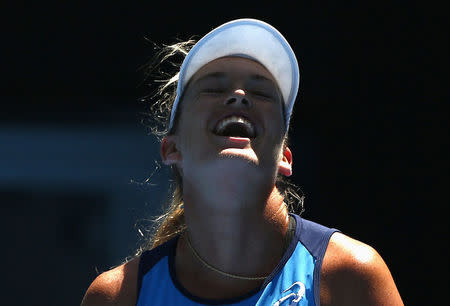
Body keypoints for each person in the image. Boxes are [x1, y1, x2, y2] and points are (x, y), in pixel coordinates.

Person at [81, 18, 403, 305]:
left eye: (262, 93)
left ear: (285, 158)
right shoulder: (116, 298)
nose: (238, 95)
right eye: (214, 87)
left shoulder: (351, 277)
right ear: (171, 149)